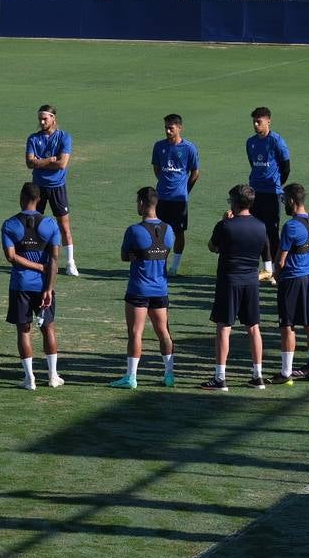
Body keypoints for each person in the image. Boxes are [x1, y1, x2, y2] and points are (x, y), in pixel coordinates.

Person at [202, 185, 268, 391]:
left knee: (224, 327)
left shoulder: (226, 226)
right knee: (253, 328)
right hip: (251, 280)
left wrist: (224, 221)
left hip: (229, 280)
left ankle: (220, 377)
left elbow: (212, 247)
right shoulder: (261, 226)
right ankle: (258, 376)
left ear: (235, 203)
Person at [1, 182, 63, 390]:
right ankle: (53, 376)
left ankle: (30, 379)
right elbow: (54, 260)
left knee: (24, 331)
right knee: (48, 328)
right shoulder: (51, 225)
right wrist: (48, 288)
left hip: (20, 285)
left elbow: (11, 257)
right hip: (44, 286)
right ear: (38, 200)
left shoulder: (10, 225)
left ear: (22, 198)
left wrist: (34, 266)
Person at [111, 187, 175, 389]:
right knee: (163, 332)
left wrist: (137, 254)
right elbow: (165, 252)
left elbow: (124, 256)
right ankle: (169, 375)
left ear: (141, 203)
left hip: (138, 289)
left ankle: (131, 377)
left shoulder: (134, 230)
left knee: (136, 332)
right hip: (161, 289)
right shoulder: (169, 230)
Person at [273, 183, 309, 384]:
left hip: (292, 280)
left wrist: (276, 274)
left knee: (288, 326)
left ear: (292, 201)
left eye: (284, 200)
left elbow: (281, 260)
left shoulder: (291, 226)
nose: (284, 203)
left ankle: (286, 372)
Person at [26, 104, 77, 276]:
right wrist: (50, 160)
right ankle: (33, 259)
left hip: (57, 187)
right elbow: (29, 163)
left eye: (45, 118)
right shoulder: (33, 138)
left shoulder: (64, 137)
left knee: (64, 226)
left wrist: (40, 162)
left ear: (53, 118)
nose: (41, 122)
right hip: (38, 188)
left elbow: (62, 164)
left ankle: (70, 262)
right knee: (33, 224)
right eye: (40, 118)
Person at [152, 113, 200, 277]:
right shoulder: (159, 146)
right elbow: (157, 169)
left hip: (179, 199)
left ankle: (175, 267)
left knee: (179, 233)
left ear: (179, 128)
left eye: (170, 128)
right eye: (165, 127)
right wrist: (164, 183)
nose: (167, 131)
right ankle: (161, 264)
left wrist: (185, 190)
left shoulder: (189, 148)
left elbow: (195, 172)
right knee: (159, 231)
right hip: (162, 198)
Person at [247, 106, 290, 283]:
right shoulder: (250, 142)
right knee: (257, 230)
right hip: (255, 191)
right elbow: (252, 163)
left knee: (272, 231)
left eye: (259, 121)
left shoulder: (276, 141)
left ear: (268, 121)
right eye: (254, 122)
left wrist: (278, 184)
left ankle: (278, 270)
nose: (256, 125)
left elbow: (286, 166)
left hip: (271, 192)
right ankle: (267, 268)